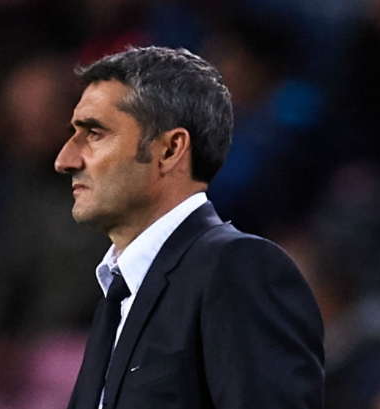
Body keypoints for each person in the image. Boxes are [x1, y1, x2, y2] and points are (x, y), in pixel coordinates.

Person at [54, 46, 324, 409]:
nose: (65, 160)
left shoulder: (237, 268)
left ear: (170, 149)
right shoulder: (118, 295)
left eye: (94, 133)